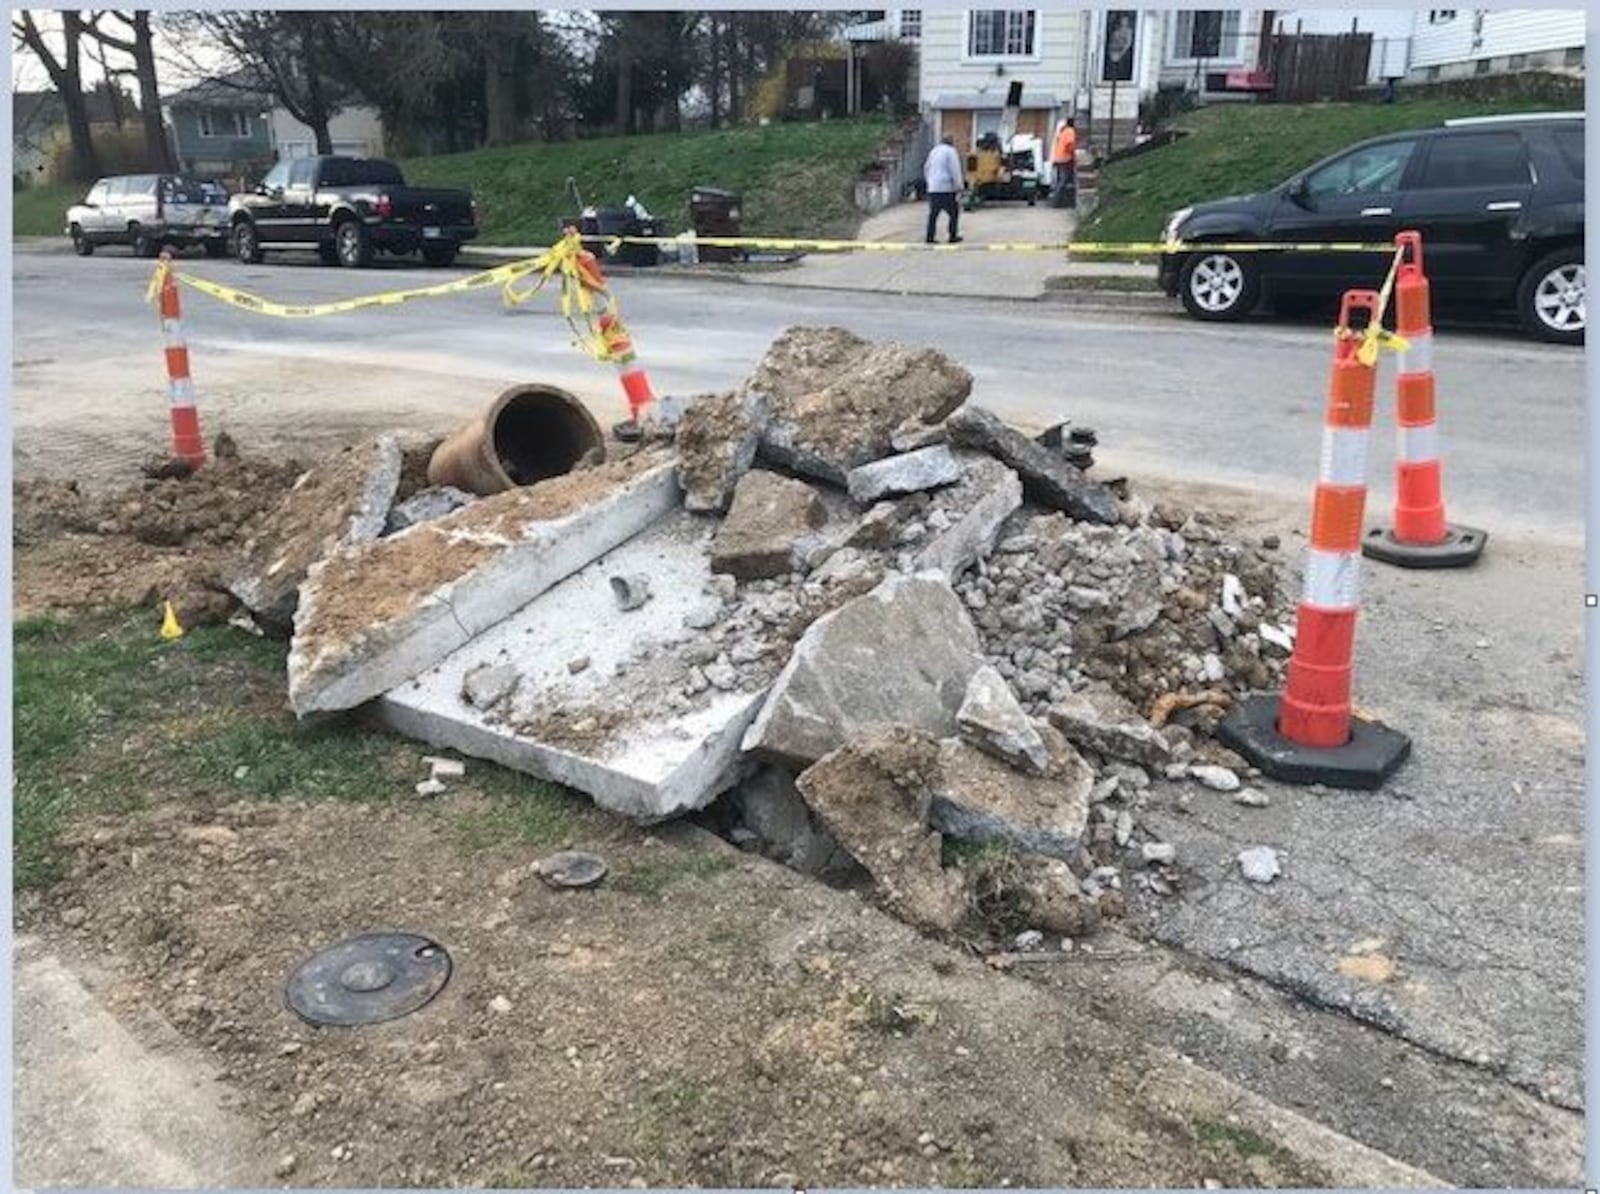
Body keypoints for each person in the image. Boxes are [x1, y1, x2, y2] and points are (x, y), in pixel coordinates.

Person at [923, 134, 964, 245]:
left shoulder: (934, 151)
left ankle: (929, 237)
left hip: (933, 188)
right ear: (951, 142)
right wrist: (959, 186)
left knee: (933, 214)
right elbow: (954, 169)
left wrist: (929, 182)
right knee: (954, 213)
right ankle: (952, 236)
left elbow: (926, 168)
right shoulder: (951, 151)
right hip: (946, 188)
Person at [1051, 118, 1078, 209]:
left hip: (1059, 158)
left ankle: (1058, 201)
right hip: (1065, 158)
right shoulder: (1070, 131)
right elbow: (1069, 146)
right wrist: (1074, 155)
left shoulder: (1064, 131)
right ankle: (1056, 202)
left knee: (1062, 180)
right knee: (1064, 180)